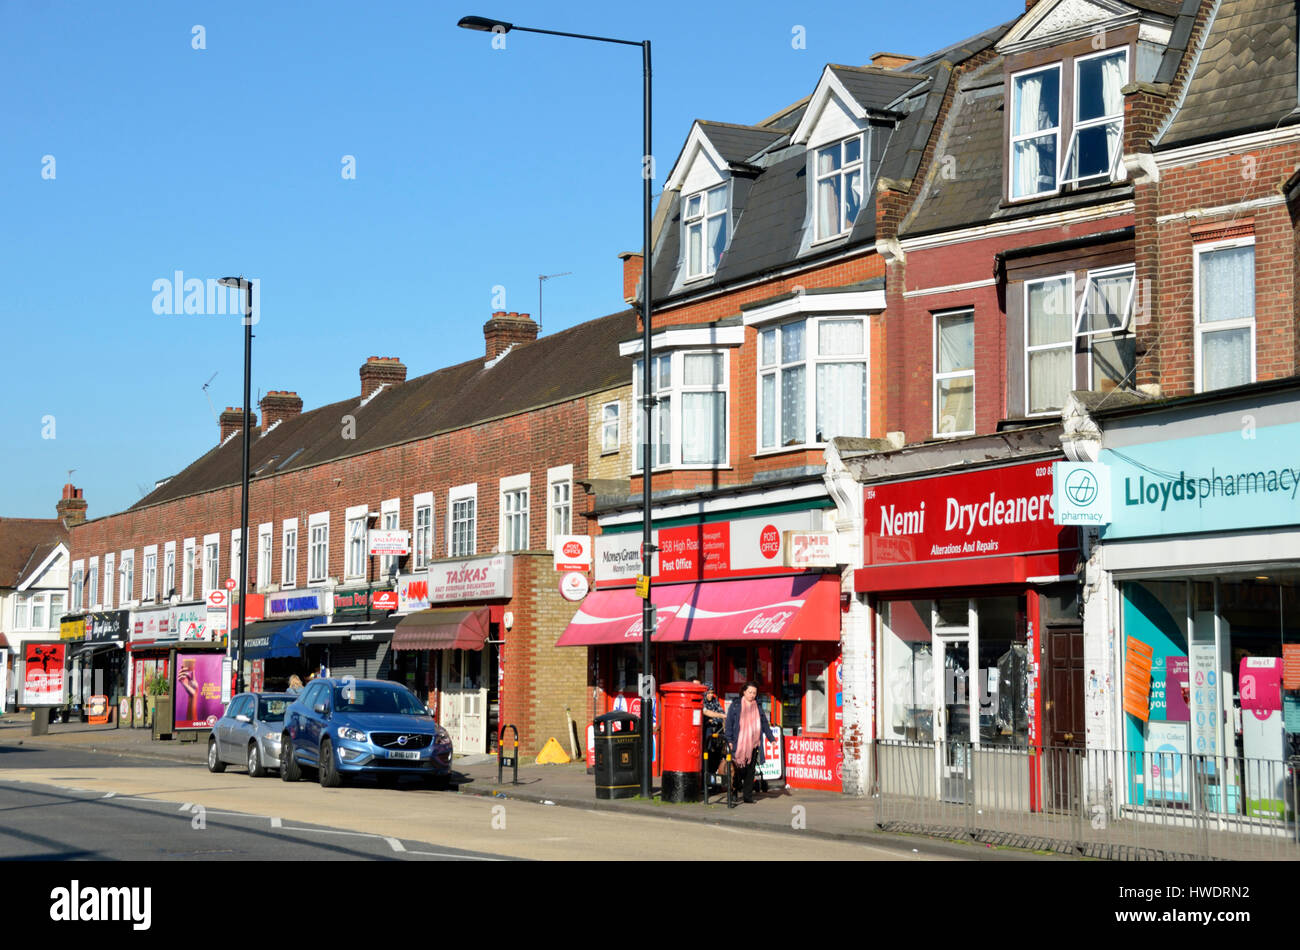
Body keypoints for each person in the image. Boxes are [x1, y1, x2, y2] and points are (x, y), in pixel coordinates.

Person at [724, 681, 774, 806]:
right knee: (738, 770)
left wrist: (771, 739)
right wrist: (729, 740)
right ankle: (734, 793)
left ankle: (747, 796)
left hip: (753, 743)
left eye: (754, 693)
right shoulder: (735, 705)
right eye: (750, 692)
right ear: (744, 692)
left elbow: (764, 723)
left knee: (750, 771)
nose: (752, 695)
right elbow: (729, 724)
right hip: (738, 743)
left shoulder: (758, 706)